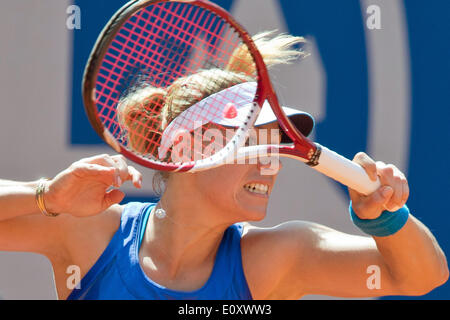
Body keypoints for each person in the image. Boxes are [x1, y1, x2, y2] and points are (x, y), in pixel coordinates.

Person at [0, 32, 447, 300]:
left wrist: (386, 218)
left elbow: (423, 277)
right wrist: (45, 197)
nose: (270, 164)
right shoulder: (89, 233)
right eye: (253, 143)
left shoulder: (276, 260)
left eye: (274, 146)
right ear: (188, 151)